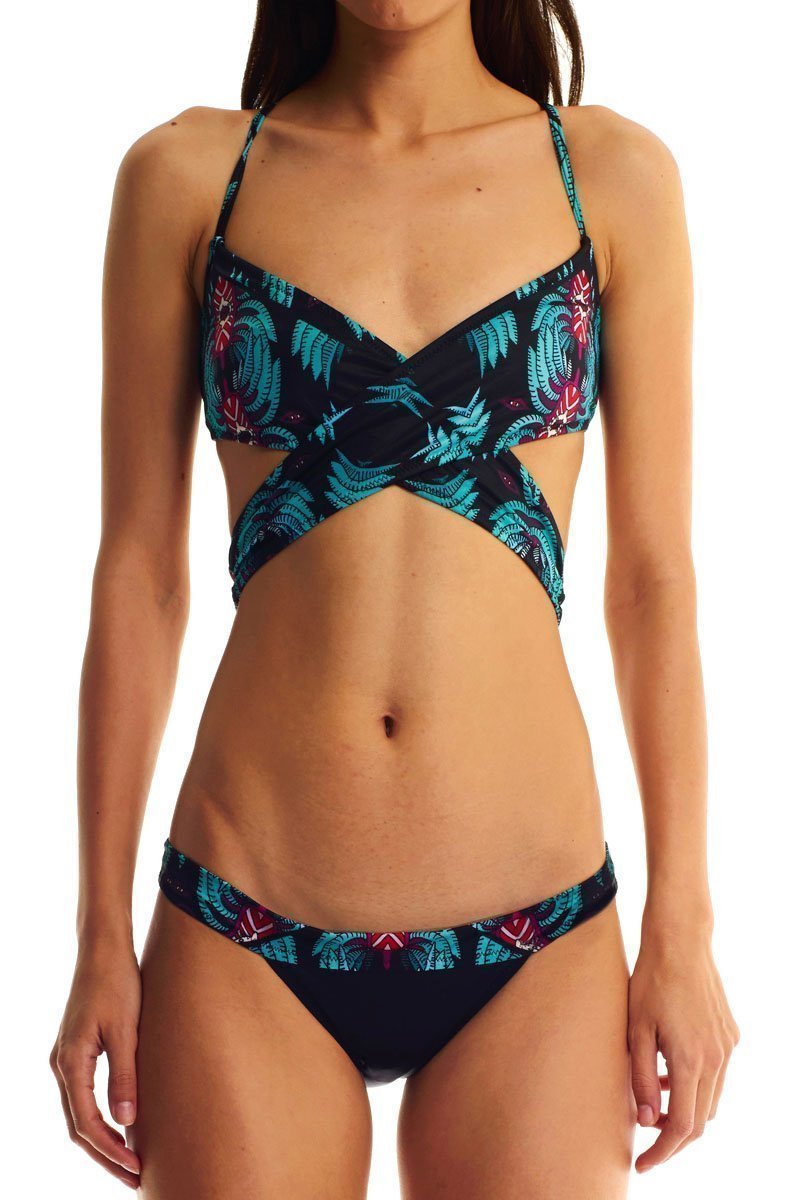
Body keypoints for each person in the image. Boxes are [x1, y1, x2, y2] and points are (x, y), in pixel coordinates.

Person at [50, 2, 739, 1195]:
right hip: (242, 924)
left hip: (537, 940)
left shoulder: (607, 179)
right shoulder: (188, 177)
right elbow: (138, 576)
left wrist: (682, 926)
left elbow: (652, 582)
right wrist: (97, 934)